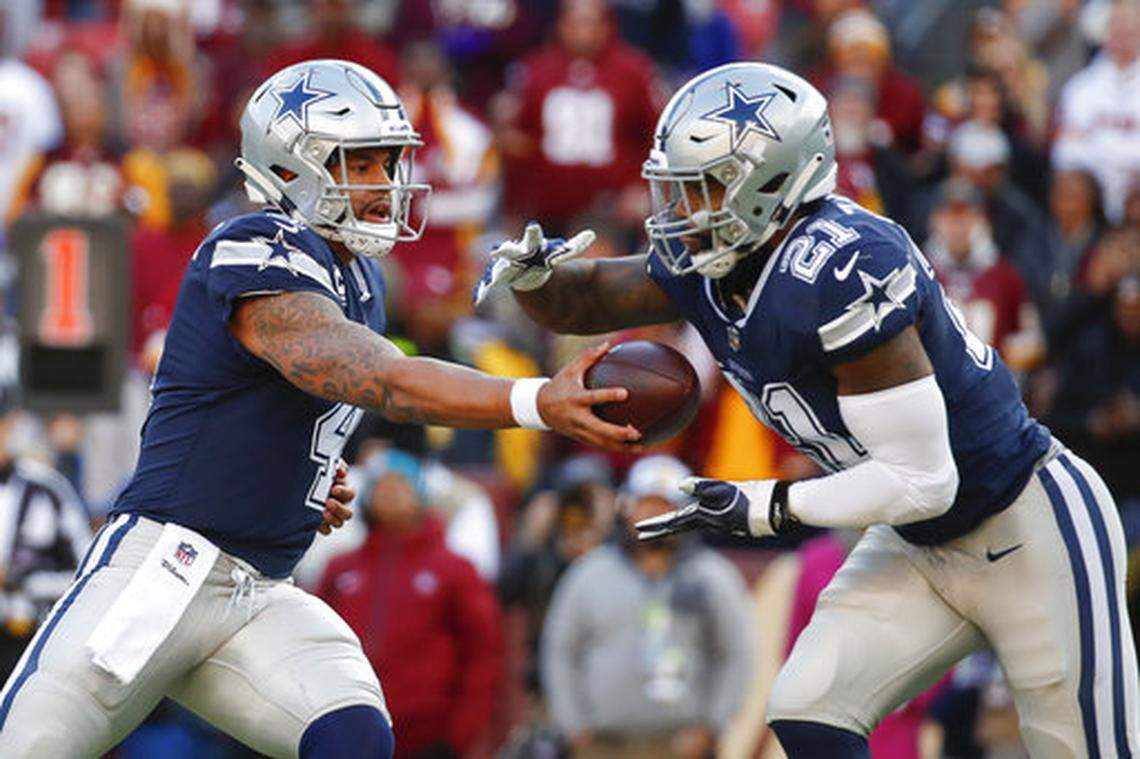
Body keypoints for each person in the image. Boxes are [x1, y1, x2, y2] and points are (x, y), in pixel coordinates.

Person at [478, 61, 1139, 757]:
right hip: (917, 542)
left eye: (702, 187)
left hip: (1024, 520)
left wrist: (761, 506)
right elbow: (586, 297)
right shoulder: (717, 256)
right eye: (675, 188)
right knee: (807, 707)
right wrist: (533, 277)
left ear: (772, 182)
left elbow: (924, 478)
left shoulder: (840, 268)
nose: (679, 212)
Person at [0, 59, 636, 759]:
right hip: (165, 571)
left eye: (388, 164)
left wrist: (300, 481)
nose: (384, 186)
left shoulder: (360, 278)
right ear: (291, 167)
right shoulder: (253, 244)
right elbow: (371, 375)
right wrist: (535, 399)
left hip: (260, 589)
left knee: (353, 735)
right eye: (359, 165)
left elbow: (288, 406)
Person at [540, 455, 752, 759]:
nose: (655, 514)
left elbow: (737, 654)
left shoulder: (713, 577)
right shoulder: (589, 574)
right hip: (602, 744)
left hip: (681, 745)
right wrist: (573, 725)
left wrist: (713, 724)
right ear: (626, 507)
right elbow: (560, 650)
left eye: (666, 505)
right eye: (646, 503)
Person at [316, 449, 502, 759]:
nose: (390, 493)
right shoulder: (341, 568)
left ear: (419, 494)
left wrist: (459, 736)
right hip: (351, 733)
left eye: (400, 483)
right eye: (381, 485)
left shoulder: (454, 569)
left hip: (425, 738)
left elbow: (483, 653)